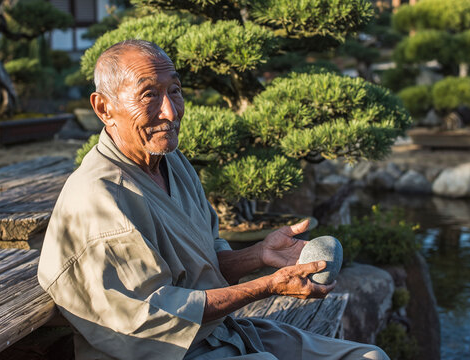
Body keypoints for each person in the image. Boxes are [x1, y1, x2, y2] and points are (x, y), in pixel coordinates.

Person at [38, 39, 389, 360]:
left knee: (369, 358)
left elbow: (201, 262)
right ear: (104, 108)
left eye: (174, 90)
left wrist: (258, 255)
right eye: (149, 95)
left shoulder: (171, 162)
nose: (171, 113)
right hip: (167, 352)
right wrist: (267, 285)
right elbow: (149, 318)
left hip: (218, 334)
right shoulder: (99, 197)